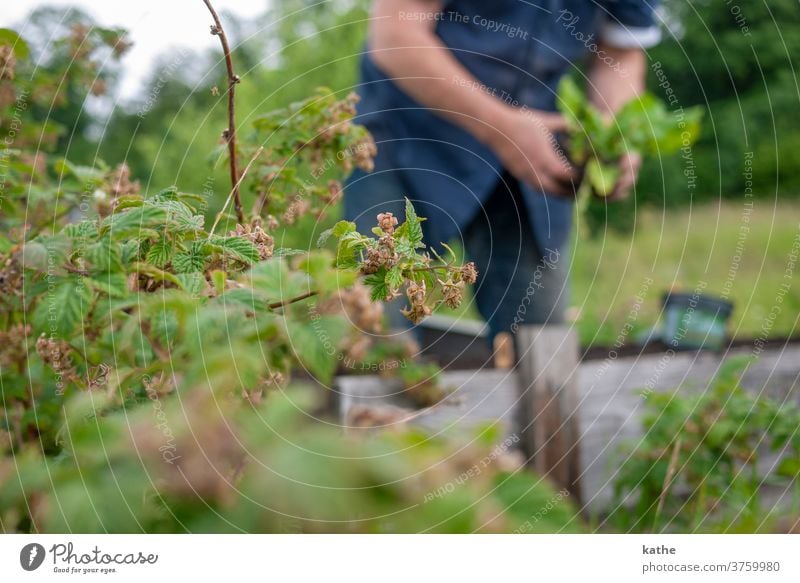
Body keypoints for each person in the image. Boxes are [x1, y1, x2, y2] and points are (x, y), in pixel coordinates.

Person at [344, 0, 661, 342]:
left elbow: (621, 54)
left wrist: (612, 137)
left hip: (532, 156)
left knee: (542, 342)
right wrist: (500, 127)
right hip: (407, 134)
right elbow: (396, 34)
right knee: (377, 330)